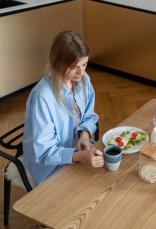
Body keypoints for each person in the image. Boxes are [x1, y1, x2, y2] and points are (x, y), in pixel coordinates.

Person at [23, 30, 104, 186]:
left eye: (85, 64)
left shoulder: (83, 80)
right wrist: (80, 156)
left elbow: (89, 115)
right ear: (58, 63)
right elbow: (45, 152)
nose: (81, 72)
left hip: (76, 150)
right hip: (49, 164)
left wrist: (85, 136)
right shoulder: (42, 97)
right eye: (74, 67)